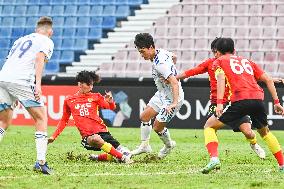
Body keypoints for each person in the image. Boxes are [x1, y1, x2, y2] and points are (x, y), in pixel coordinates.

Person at [202, 37, 284, 174]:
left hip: (239, 100)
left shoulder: (219, 62)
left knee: (209, 126)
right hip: (258, 99)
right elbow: (268, 79)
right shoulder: (247, 61)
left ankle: (214, 158)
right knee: (265, 133)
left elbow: (221, 79)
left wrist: (220, 103)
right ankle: (282, 164)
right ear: (234, 50)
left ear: (218, 52)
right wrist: (277, 103)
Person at [176, 37, 266, 159]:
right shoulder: (210, 63)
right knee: (211, 128)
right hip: (216, 103)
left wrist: (270, 80)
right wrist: (174, 78)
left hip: (235, 102)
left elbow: (251, 76)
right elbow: (193, 71)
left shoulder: (233, 64)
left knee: (248, 132)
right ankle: (214, 157)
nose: (215, 54)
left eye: (216, 51)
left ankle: (254, 144)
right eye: (214, 51)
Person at [0, 16, 54, 174]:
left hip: (3, 78)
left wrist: (13, 92)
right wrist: (37, 85)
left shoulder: (20, 40)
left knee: (3, 121)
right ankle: (41, 162)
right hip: (22, 80)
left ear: (36, 29)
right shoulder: (46, 40)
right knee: (41, 117)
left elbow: (10, 61)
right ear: (50, 31)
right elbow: (39, 58)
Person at [48, 71, 133, 164]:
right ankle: (123, 158)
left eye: (92, 84)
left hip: (104, 133)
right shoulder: (69, 100)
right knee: (96, 139)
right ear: (80, 84)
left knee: (127, 152)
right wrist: (53, 136)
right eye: (88, 84)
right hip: (88, 137)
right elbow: (64, 120)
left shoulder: (96, 96)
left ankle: (99, 157)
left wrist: (111, 101)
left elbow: (111, 108)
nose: (91, 87)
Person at [131, 33, 184, 158]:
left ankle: (169, 145)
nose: (141, 55)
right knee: (144, 117)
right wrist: (172, 69)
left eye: (143, 51)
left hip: (172, 98)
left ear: (150, 47)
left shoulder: (160, 64)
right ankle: (145, 146)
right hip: (162, 94)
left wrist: (174, 103)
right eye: (140, 52)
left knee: (157, 127)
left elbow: (175, 83)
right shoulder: (161, 52)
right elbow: (174, 57)